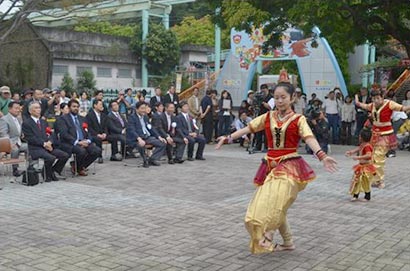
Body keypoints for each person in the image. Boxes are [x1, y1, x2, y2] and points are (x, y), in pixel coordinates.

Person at [216, 82, 337, 254]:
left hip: (289, 165)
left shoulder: (298, 119)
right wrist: (228, 138)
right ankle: (288, 243)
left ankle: (269, 234)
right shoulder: (268, 117)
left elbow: (309, 138)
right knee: (269, 204)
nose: (279, 101)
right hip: (270, 165)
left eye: (283, 97)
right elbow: (248, 128)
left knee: (277, 201)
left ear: (292, 98)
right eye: (276, 97)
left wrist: (322, 155)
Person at [355, 90, 410, 188]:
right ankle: (374, 177)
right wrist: (357, 100)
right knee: (370, 157)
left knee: (378, 157)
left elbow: (403, 108)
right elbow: (362, 105)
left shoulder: (389, 104)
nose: (375, 100)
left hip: (385, 135)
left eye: (377, 98)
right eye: (373, 98)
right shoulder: (372, 105)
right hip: (374, 135)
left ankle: (379, 180)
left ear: (382, 97)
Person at [22, 102, 69, 182]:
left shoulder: (43, 122)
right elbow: (30, 138)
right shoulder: (26, 123)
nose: (38, 110)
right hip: (36, 148)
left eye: (39, 108)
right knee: (51, 158)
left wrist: (50, 142)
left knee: (64, 155)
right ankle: (47, 174)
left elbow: (51, 133)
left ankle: (52, 171)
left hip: (48, 146)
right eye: (36, 108)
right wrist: (44, 144)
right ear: (30, 111)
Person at [59, 99, 101, 176]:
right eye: (74, 106)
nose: (76, 108)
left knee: (97, 150)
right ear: (69, 108)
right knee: (81, 151)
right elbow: (64, 134)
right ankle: (79, 168)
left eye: (77, 107)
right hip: (71, 143)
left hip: (83, 141)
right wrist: (77, 142)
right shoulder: (63, 119)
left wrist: (88, 141)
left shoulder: (82, 118)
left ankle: (79, 166)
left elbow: (87, 131)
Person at [126, 102, 166, 168]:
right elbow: (131, 130)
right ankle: (145, 160)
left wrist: (159, 137)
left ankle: (152, 159)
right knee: (141, 145)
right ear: (137, 109)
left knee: (162, 143)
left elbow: (151, 128)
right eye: (142, 108)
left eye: (145, 108)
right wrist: (139, 139)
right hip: (136, 138)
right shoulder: (132, 117)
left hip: (146, 137)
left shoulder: (145, 117)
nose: (144, 110)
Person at [345, 129, 376, 201]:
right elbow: (358, 148)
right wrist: (351, 152)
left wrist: (358, 157)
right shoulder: (363, 145)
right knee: (357, 180)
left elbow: (369, 155)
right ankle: (355, 195)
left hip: (366, 167)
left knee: (365, 182)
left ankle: (367, 196)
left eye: (359, 136)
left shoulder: (367, 146)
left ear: (361, 138)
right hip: (361, 166)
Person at [0, 101, 27, 176]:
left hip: (19, 142)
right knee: (15, 149)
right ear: (9, 109)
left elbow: (19, 132)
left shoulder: (18, 119)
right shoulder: (4, 119)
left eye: (19, 108)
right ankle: (15, 169)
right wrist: (10, 144)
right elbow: (3, 134)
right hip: (9, 143)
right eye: (16, 108)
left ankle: (30, 168)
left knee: (30, 147)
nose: (18, 110)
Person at [86, 99, 107, 164]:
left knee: (115, 137)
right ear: (95, 105)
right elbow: (89, 128)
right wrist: (97, 134)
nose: (102, 106)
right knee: (98, 139)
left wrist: (105, 133)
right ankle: (99, 156)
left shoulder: (103, 115)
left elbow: (106, 126)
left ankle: (115, 154)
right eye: (100, 104)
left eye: (102, 104)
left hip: (102, 134)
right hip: (93, 134)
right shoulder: (89, 115)